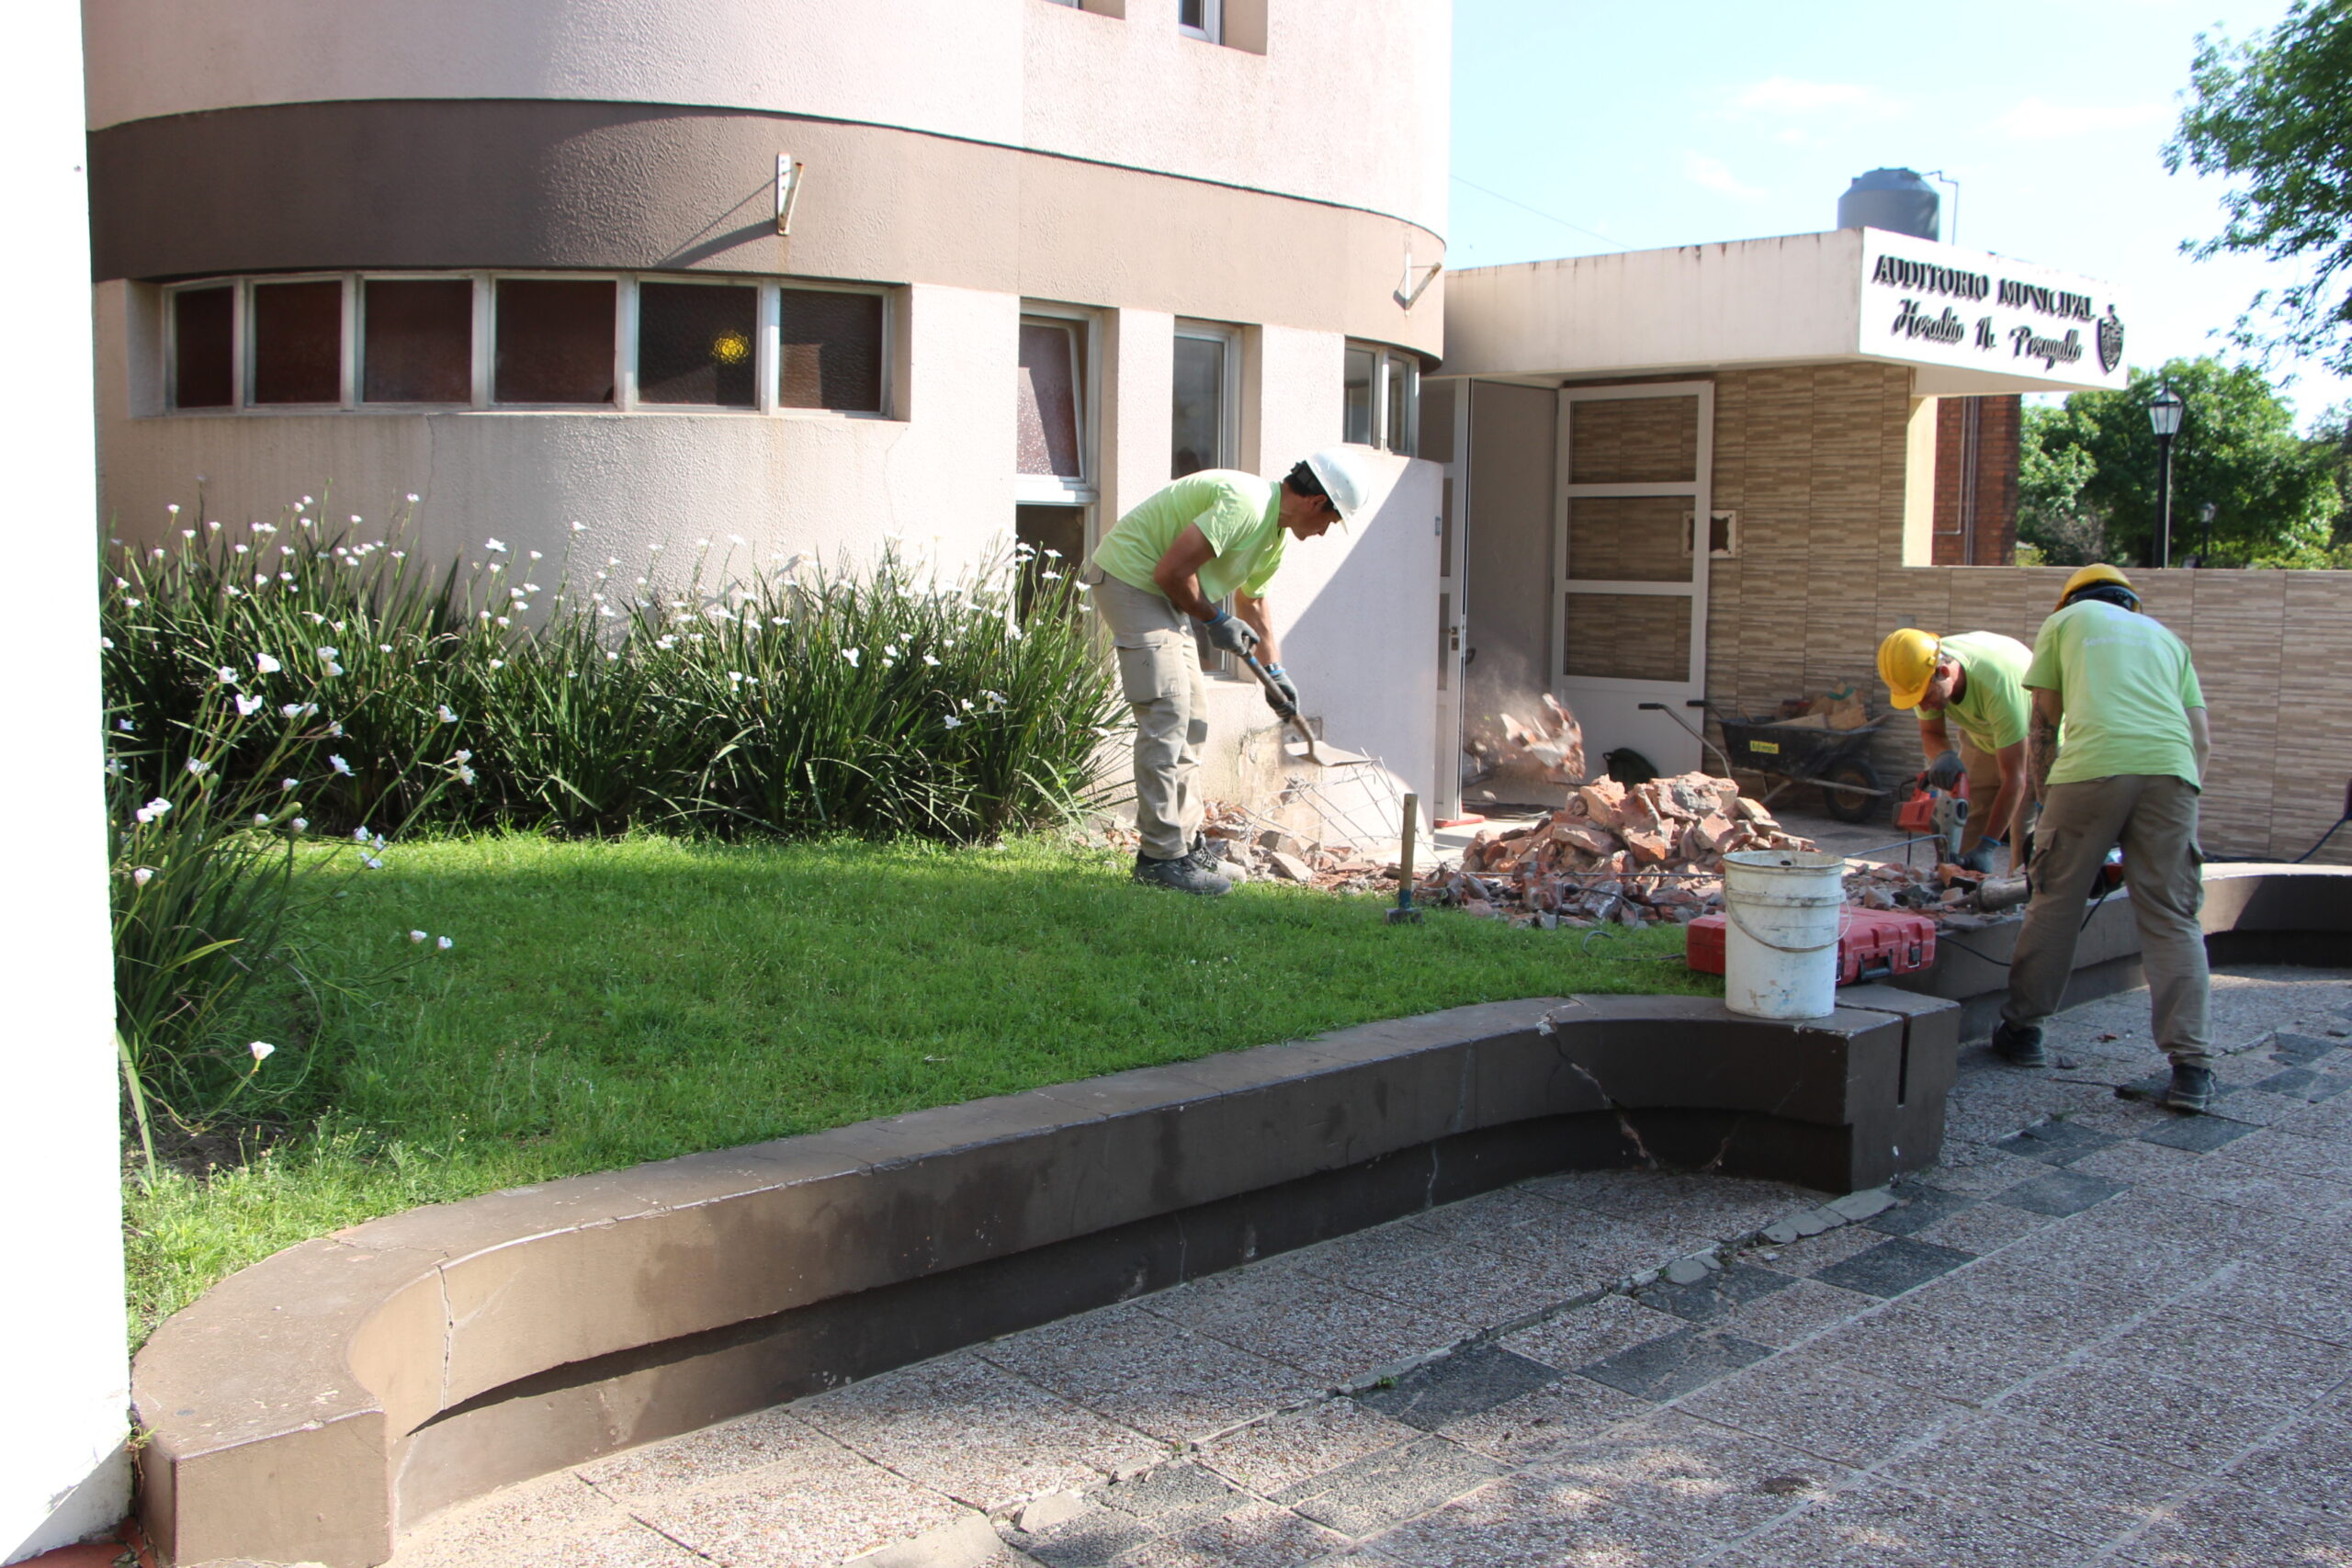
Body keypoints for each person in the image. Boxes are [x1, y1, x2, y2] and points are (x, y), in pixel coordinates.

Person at [1082, 448, 1375, 894]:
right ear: (1318, 503)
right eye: (1332, 521)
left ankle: (1185, 846)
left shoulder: (1273, 535)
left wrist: (1275, 672)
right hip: (1132, 582)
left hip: (1163, 592)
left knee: (1193, 719)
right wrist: (1213, 620)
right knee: (1168, 715)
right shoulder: (1247, 502)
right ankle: (1159, 862)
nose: (1323, 533)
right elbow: (1171, 571)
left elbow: (1253, 602)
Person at [1992, 564, 2216, 1112]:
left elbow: (2044, 724)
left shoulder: (2066, 621)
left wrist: (2048, 812)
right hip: (2173, 772)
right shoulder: (2168, 638)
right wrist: (2171, 807)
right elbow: (2201, 739)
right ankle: (2192, 1068)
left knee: (2055, 902)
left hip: (2091, 769)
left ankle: (2024, 1033)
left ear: (2070, 599)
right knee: (2172, 918)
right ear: (2131, 605)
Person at [1876, 627, 2033, 874]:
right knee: (1961, 830)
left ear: (1945, 672)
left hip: (2030, 740)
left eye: (1924, 696)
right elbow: (1932, 734)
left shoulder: (1999, 683)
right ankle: (1961, 893)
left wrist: (1989, 846)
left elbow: (2016, 778)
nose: (1923, 705)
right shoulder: (1919, 670)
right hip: (1981, 735)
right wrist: (1943, 755)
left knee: (2023, 839)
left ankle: (2021, 904)